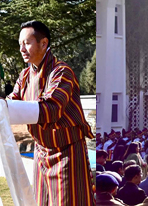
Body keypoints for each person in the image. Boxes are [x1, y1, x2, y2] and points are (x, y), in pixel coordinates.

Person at [10, 20, 95, 206]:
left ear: (44, 43)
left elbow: (52, 109)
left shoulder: (61, 71)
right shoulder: (24, 76)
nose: (22, 49)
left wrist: (2, 107)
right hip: (41, 152)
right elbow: (11, 104)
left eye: (26, 43)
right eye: (20, 44)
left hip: (67, 153)